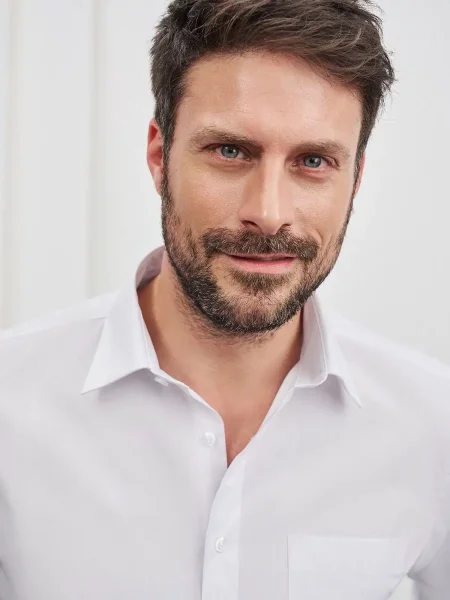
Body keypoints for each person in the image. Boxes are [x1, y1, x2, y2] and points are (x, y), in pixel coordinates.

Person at [0, 0, 448, 598]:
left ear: (356, 179)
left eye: (313, 161)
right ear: (160, 156)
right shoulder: (10, 401)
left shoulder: (433, 425)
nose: (269, 212)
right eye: (230, 151)